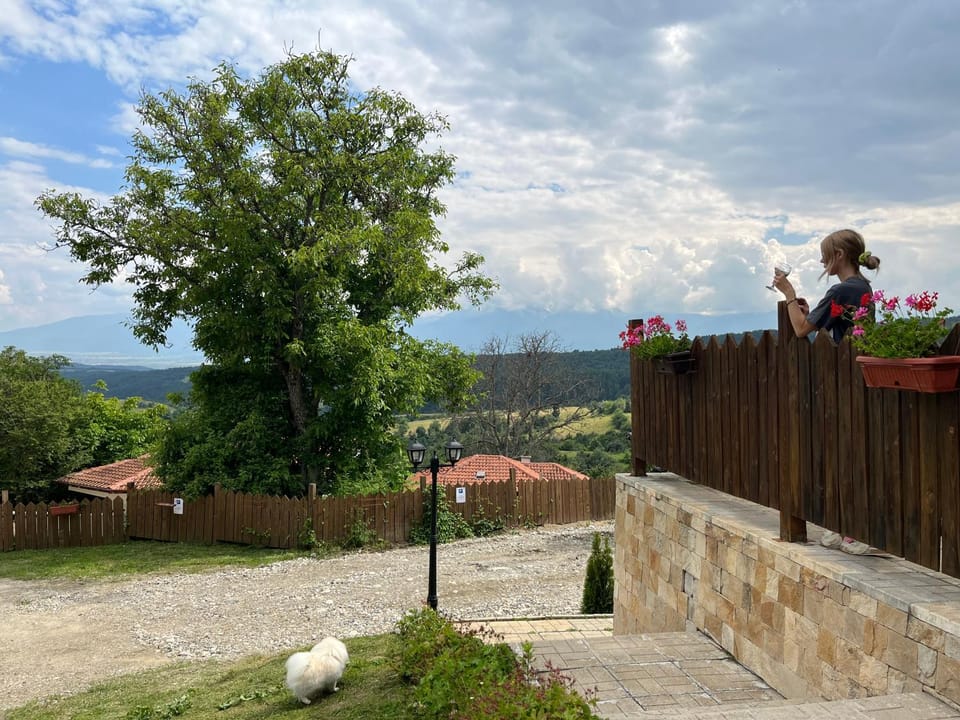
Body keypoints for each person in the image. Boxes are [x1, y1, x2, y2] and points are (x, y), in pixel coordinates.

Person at [772, 228, 881, 555]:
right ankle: (842, 527)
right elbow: (827, 324)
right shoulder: (861, 287)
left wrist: (788, 293)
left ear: (839, 256)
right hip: (858, 374)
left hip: (846, 380)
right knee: (848, 452)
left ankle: (853, 529)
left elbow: (801, 330)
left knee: (846, 454)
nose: (821, 260)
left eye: (824, 255)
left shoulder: (843, 289)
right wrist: (807, 310)